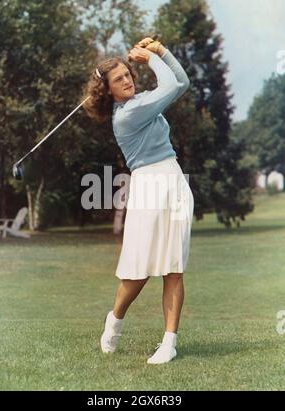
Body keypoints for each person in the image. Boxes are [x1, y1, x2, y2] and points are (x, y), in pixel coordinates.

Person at [83, 37, 194, 364]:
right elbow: (172, 83)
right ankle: (114, 320)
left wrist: (161, 52)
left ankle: (169, 342)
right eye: (119, 79)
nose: (128, 79)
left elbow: (181, 83)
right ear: (109, 91)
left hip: (172, 178)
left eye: (129, 73)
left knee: (174, 267)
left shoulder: (144, 100)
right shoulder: (127, 116)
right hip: (147, 186)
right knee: (138, 271)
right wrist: (150, 57)